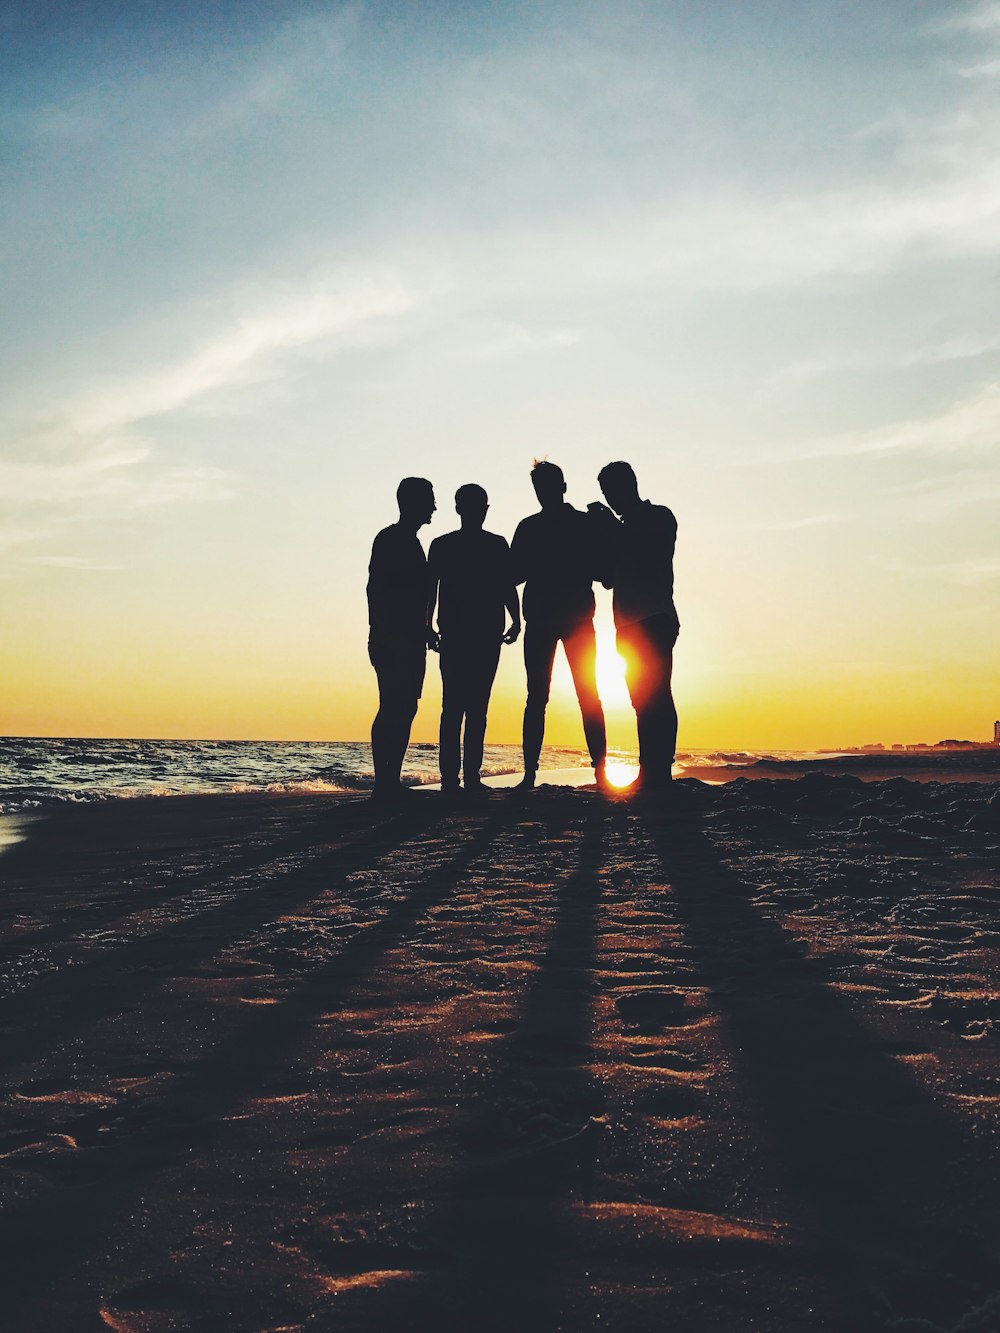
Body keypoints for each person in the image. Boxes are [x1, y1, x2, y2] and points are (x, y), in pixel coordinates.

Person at [510, 461, 608, 790]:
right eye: (540, 489)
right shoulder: (574, 524)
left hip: (566, 619)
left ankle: (593, 771)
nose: (543, 494)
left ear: (562, 487)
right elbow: (513, 574)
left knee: (561, 697)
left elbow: (512, 575)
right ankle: (535, 773)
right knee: (555, 697)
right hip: (554, 619)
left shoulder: (542, 527)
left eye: (546, 488)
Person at [428, 484, 520, 794]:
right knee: (467, 707)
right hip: (469, 633)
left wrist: (516, 618)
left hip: (473, 633)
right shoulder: (484, 545)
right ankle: (460, 779)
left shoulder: (451, 545)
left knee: (458, 707)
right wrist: (516, 619)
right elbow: (431, 590)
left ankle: (461, 779)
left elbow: (507, 586)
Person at [593, 461, 679, 791]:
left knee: (657, 695)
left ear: (630, 485)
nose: (611, 498)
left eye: (613, 490)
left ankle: (662, 770)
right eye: (606, 493)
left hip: (656, 617)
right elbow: (607, 579)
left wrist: (612, 529)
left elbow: (650, 550)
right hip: (626, 624)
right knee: (640, 699)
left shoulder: (658, 516)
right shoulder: (621, 528)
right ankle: (649, 768)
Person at [367, 477, 436, 801]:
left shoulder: (412, 542)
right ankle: (384, 783)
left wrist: (425, 628)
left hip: (411, 639)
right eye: (429, 500)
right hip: (393, 638)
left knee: (406, 706)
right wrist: (377, 634)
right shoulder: (391, 539)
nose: (434, 507)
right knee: (391, 705)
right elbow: (376, 590)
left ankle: (390, 780)